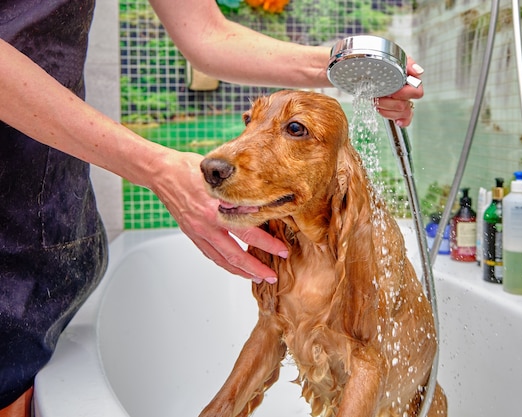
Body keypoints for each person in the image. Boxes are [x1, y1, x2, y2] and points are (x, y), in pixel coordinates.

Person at [0, 0, 424, 415]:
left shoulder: (356, 246)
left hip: (42, 245)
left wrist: (342, 66)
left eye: (294, 130)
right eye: (250, 121)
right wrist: (157, 167)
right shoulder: (287, 248)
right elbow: (271, 328)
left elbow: (206, 33)